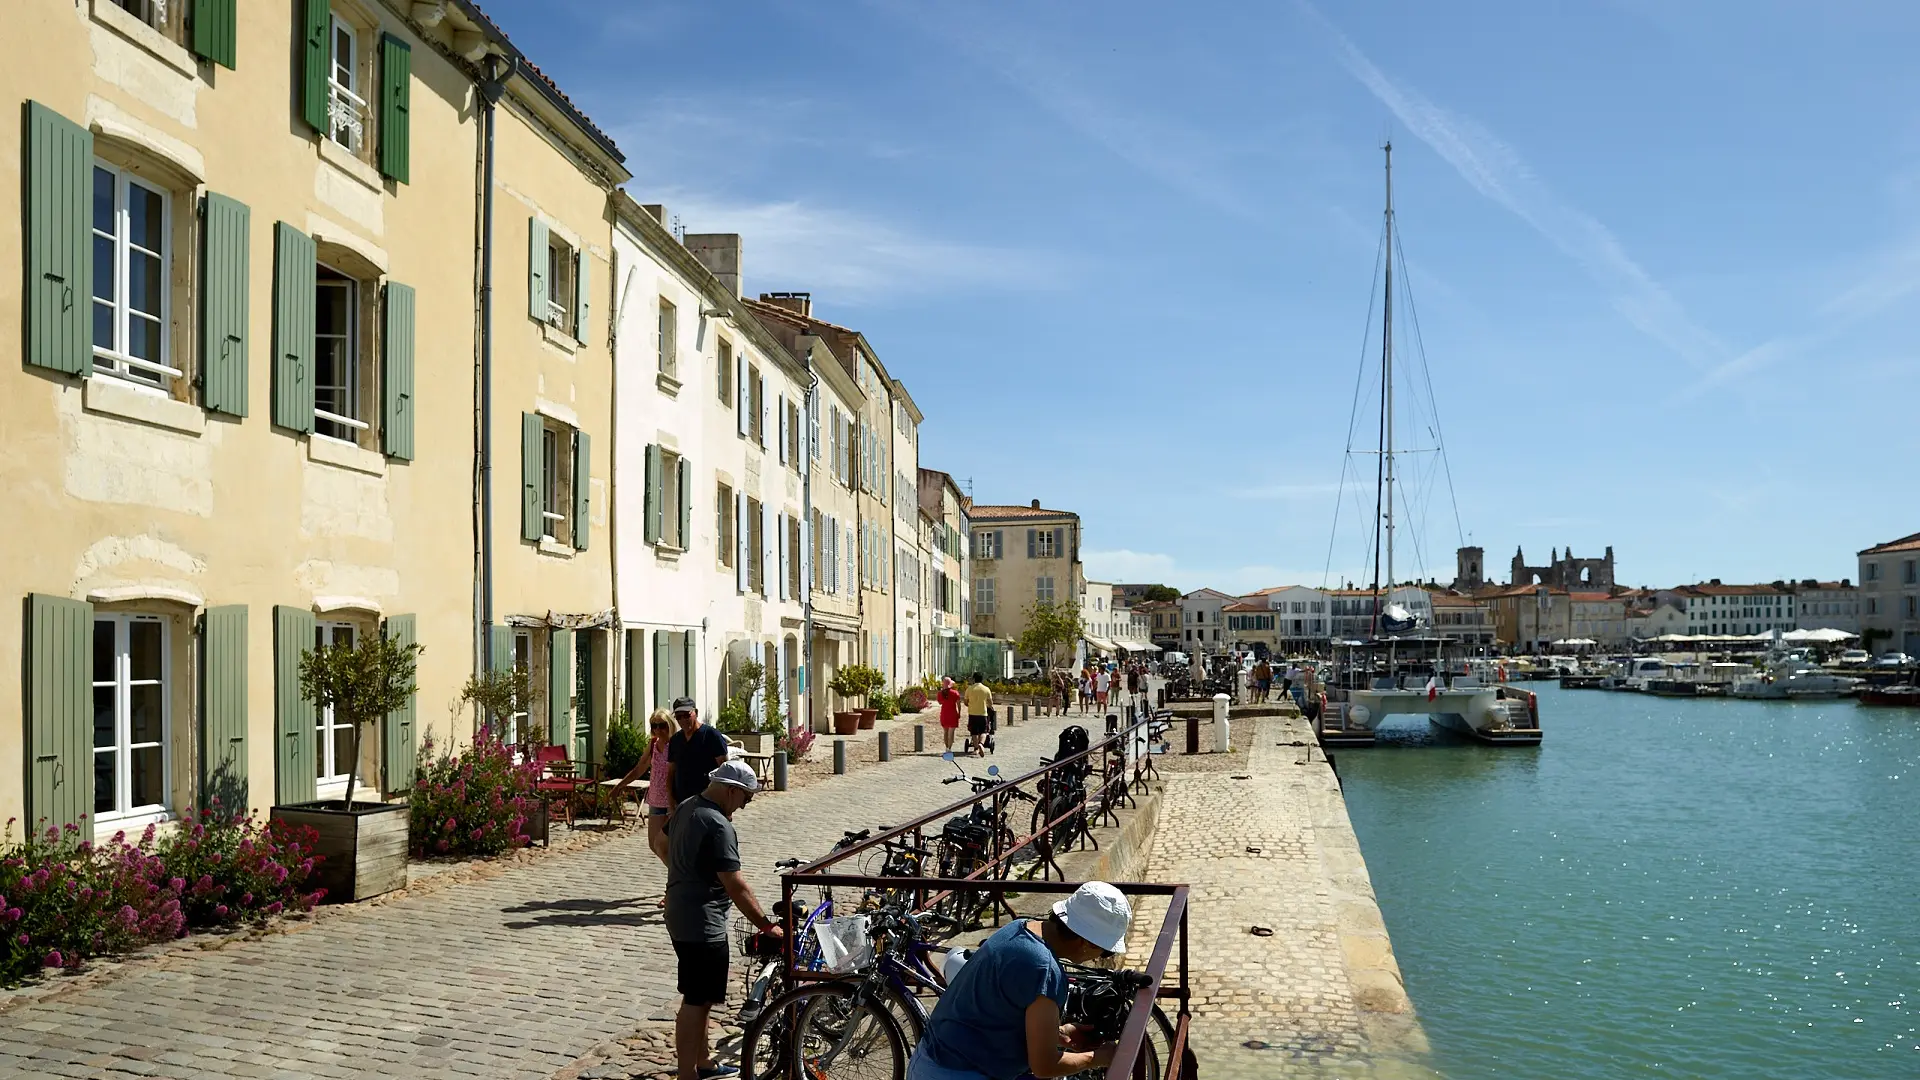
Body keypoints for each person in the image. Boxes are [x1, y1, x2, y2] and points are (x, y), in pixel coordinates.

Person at [907, 881, 1134, 1080]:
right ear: (1089, 943)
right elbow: (1044, 1066)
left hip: (931, 1060)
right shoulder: (1044, 969)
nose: (1101, 956)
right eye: (1106, 951)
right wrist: (1097, 1057)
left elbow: (1000, 1005)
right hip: (961, 1072)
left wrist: (1056, 1032)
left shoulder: (1020, 927)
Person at [665, 761, 782, 1080]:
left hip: (679, 913)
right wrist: (766, 925)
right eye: (745, 798)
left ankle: (703, 1063)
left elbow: (666, 845)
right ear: (731, 791)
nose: (744, 806)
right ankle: (687, 1074)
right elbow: (736, 885)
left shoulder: (689, 805)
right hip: (703, 923)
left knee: (698, 997)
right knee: (695, 1000)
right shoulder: (718, 825)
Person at [611, 709, 676, 865]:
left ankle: (678, 880)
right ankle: (679, 877)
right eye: (654, 726)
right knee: (654, 844)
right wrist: (620, 786)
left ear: (670, 725)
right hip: (655, 799)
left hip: (673, 800)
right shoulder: (654, 744)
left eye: (662, 725)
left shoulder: (676, 744)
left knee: (671, 845)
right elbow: (639, 769)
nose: (658, 730)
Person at [666, 697, 728, 816]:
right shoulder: (675, 740)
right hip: (682, 803)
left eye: (686, 715)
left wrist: (725, 805)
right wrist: (671, 803)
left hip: (708, 804)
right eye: (679, 717)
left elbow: (725, 771)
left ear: (696, 713)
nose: (683, 720)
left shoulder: (711, 736)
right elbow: (670, 773)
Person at [964, 672, 993, 758]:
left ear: (973, 679)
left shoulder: (969, 689)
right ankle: (981, 744)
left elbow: (966, 702)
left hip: (972, 713)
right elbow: (990, 703)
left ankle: (976, 748)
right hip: (983, 713)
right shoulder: (986, 689)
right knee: (983, 731)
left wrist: (971, 704)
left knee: (974, 732)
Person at [937, 676, 964, 752]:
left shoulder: (940, 693)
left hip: (944, 714)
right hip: (952, 714)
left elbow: (940, 702)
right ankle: (949, 748)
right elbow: (959, 704)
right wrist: (959, 712)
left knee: (945, 732)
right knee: (951, 733)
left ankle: (946, 747)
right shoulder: (955, 693)